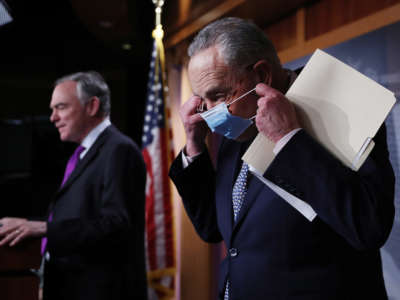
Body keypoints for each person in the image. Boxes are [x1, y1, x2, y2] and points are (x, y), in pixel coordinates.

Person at [169, 17, 395, 300]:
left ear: (262, 76)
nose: (210, 114)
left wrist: (289, 140)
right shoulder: (238, 126)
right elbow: (214, 228)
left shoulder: (350, 104)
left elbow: (369, 227)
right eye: (203, 100)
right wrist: (193, 144)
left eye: (217, 95)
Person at [0, 71, 148, 300]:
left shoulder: (119, 150)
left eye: (60, 107)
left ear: (92, 106)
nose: (52, 118)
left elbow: (116, 225)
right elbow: (79, 218)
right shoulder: (84, 154)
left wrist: (43, 229)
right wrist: (32, 226)